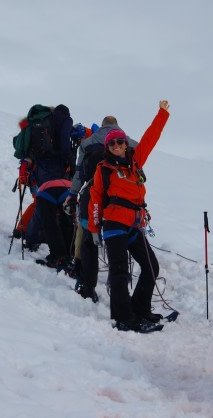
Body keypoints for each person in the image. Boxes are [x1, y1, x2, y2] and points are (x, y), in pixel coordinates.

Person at [88, 100, 170, 333]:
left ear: (125, 144)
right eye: (112, 142)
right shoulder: (103, 169)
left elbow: (150, 138)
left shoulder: (136, 163)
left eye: (120, 141)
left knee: (151, 267)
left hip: (134, 225)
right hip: (114, 225)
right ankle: (123, 318)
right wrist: (94, 230)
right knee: (119, 271)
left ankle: (140, 308)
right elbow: (95, 200)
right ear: (108, 146)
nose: (116, 145)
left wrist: (162, 114)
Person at [66, 116, 138, 301]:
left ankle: (87, 285)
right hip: (119, 198)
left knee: (88, 238)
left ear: (102, 125)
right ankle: (118, 285)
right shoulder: (127, 142)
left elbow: (80, 173)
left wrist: (72, 194)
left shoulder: (87, 143)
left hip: (92, 193)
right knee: (118, 243)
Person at [18, 104, 75, 268]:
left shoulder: (38, 126)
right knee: (65, 217)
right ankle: (67, 255)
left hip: (42, 176)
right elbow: (65, 142)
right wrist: (70, 161)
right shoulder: (66, 121)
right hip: (62, 177)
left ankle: (52, 252)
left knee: (47, 217)